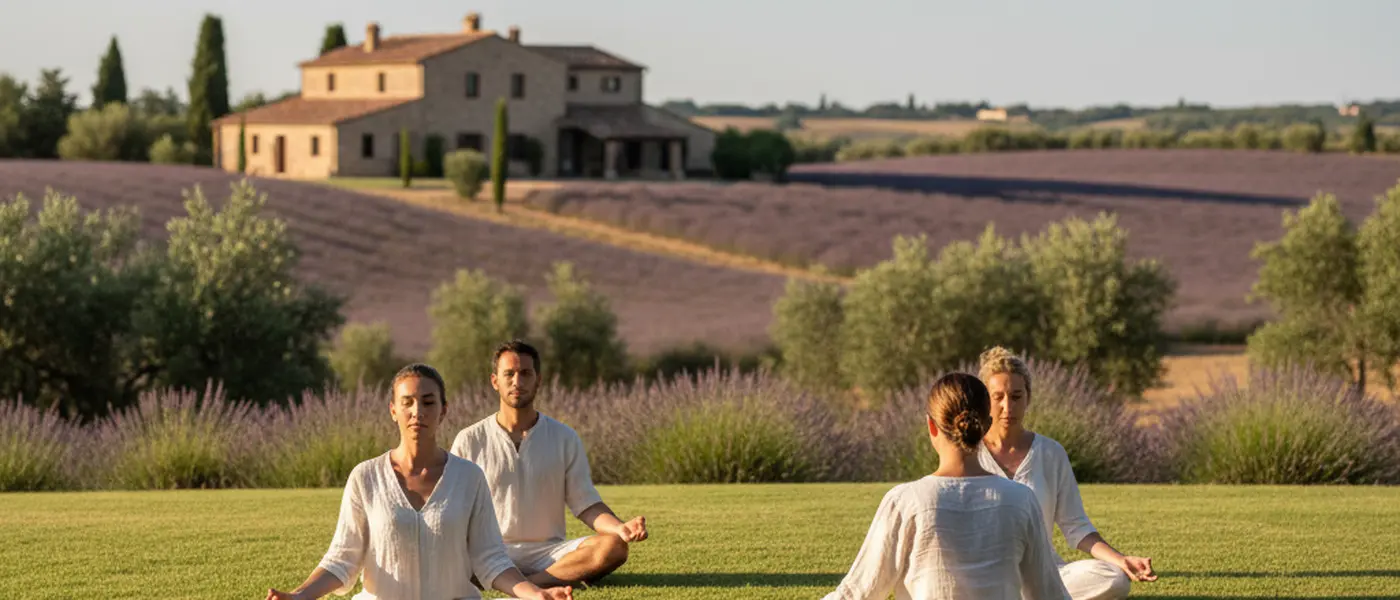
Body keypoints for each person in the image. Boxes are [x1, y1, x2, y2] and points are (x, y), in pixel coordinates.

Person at [265, 363, 573, 600]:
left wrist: (536, 593)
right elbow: (342, 558)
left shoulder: (469, 477)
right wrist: (299, 595)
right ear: (393, 411)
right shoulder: (366, 476)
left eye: (428, 402)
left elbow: (491, 558)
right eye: (408, 402)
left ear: (443, 411)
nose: (417, 412)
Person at [824, 372, 1072, 600]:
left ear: (931, 426)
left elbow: (857, 592)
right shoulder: (1021, 500)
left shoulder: (906, 501)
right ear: (986, 425)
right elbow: (1049, 594)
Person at [450, 340, 648, 588]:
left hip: (550, 554)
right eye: (509, 374)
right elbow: (455, 508)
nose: (517, 382)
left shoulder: (564, 437)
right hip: (490, 552)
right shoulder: (469, 440)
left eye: (525, 373)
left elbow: (585, 503)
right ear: (494, 381)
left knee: (614, 546)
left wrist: (621, 529)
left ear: (538, 380)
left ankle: (527, 585)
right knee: (449, 557)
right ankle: (539, 583)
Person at [976, 346, 1158, 600]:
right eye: (998, 397)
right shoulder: (969, 453)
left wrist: (1121, 559)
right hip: (987, 577)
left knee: (1114, 579)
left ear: (1028, 398)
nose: (1008, 406)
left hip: (1045, 571)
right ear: (985, 401)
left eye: (1016, 396)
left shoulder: (1051, 453)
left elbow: (1076, 526)